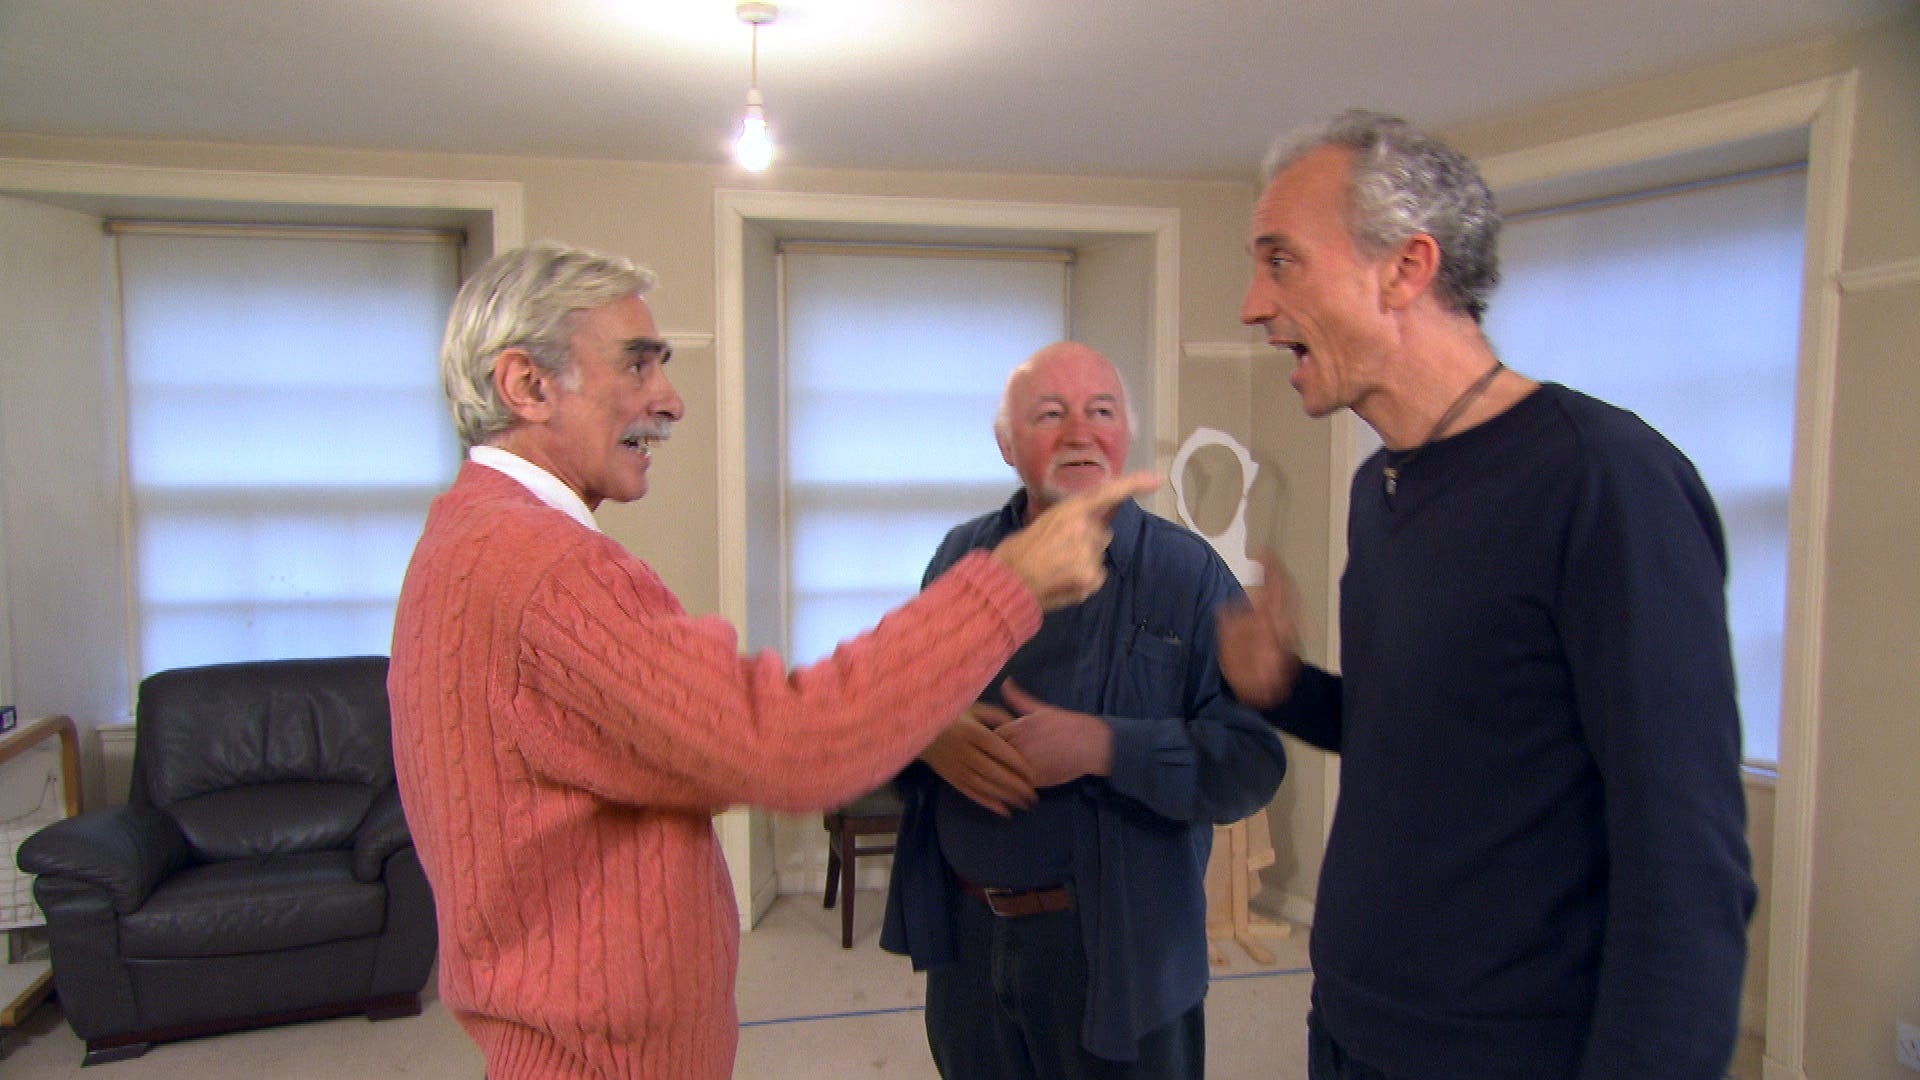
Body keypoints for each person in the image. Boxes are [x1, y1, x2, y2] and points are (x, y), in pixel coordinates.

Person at [387, 244, 1157, 1080]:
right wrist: (1008, 586)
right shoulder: (545, 569)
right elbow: (787, 745)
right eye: (637, 364)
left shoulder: (473, 538)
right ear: (527, 386)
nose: (669, 400)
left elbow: (686, 753)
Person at [1218, 110, 1757, 1080]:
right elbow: (1434, 731)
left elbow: (1688, 859)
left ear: (1406, 268)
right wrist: (1288, 688)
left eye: (1281, 260)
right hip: (1349, 1026)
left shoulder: (1604, 482)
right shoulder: (1381, 486)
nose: (1254, 304)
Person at [880, 341, 1287, 1078]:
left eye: (1100, 411)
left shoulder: (1187, 577)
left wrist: (1104, 746)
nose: (1078, 432)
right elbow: (886, 700)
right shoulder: (959, 561)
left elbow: (1251, 763)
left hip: (1122, 961)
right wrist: (931, 736)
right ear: (1006, 442)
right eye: (1049, 414)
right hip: (970, 953)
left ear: (1125, 433)